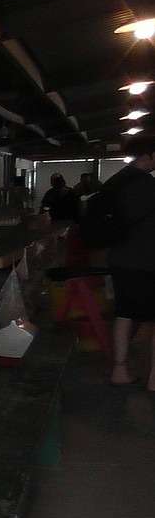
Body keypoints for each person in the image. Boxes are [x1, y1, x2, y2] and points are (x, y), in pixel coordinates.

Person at [105, 135, 155, 388]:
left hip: (120, 258)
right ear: (147, 156)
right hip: (146, 261)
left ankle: (120, 370)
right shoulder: (145, 184)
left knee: (124, 314)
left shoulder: (116, 180)